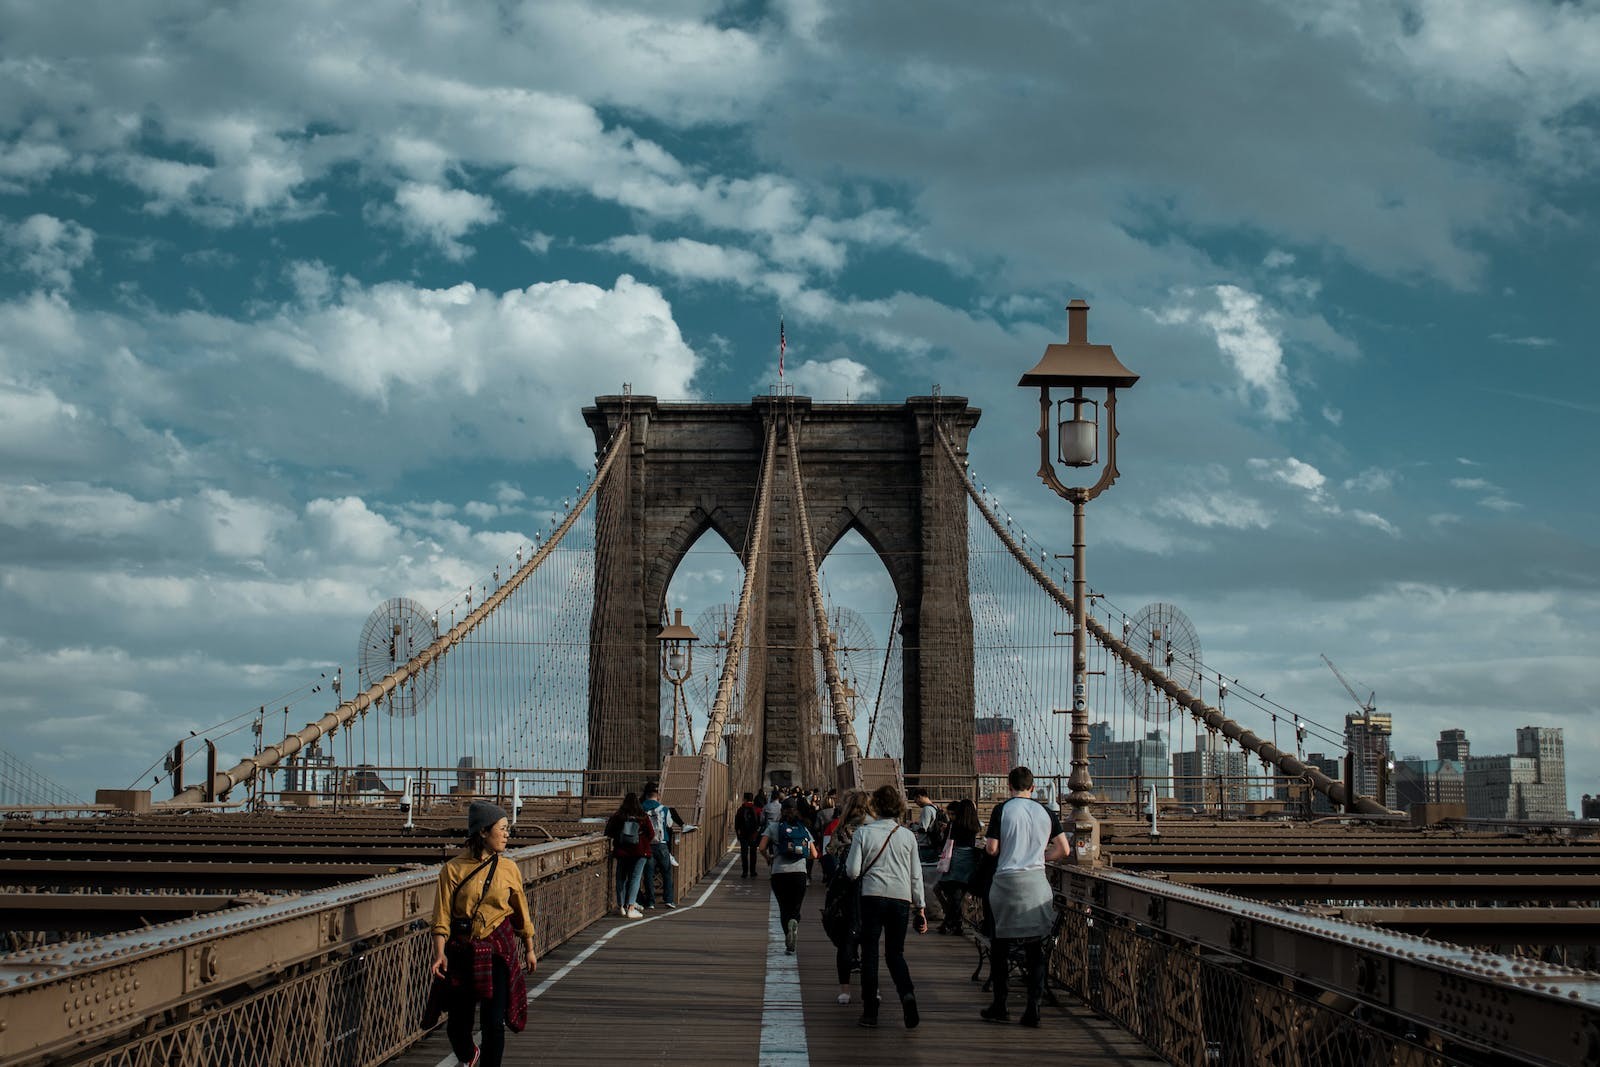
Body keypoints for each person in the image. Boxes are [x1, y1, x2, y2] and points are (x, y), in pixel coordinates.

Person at [429, 800, 538, 1067]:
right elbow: (441, 915)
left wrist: (529, 947)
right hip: (462, 951)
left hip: (497, 951)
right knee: (457, 1025)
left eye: (507, 829)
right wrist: (439, 953)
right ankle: (469, 1054)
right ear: (482, 832)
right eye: (502, 828)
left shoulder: (508, 869)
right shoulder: (453, 869)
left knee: (493, 1023)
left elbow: (520, 913)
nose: (507, 834)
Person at [980, 766, 1068, 1028]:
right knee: (1035, 948)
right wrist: (1041, 857)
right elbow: (1064, 849)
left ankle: (1000, 1005)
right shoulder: (1046, 812)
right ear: (1032, 787)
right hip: (1036, 884)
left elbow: (992, 849)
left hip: (1006, 883)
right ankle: (1033, 1008)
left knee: (1000, 946)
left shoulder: (1002, 810)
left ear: (1009, 786)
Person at [844, 784, 926, 1029]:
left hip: (872, 897)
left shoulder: (863, 833)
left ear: (875, 806)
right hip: (900, 899)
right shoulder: (908, 836)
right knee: (895, 954)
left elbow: (852, 871)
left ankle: (870, 1011)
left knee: (870, 953)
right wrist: (920, 907)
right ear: (899, 807)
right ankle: (907, 995)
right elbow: (916, 875)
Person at [822, 788, 871, 1004]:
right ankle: (872, 990)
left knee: (845, 939)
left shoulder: (843, 827)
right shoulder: (874, 828)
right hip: (871, 886)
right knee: (870, 938)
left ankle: (844, 991)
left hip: (846, 887)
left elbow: (830, 852)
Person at [758, 798, 818, 954]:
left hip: (779, 874)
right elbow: (815, 854)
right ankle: (794, 921)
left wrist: (769, 858)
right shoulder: (803, 828)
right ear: (796, 810)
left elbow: (762, 847)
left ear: (781, 810)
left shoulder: (773, 827)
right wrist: (801, 856)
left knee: (784, 908)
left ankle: (788, 936)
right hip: (799, 874)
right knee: (795, 908)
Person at [935, 798, 983, 934]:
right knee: (959, 895)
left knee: (952, 894)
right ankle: (954, 924)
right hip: (969, 862)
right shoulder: (975, 826)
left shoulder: (954, 825)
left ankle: (951, 923)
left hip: (955, 860)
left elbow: (949, 842)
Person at [604, 791, 655, 919]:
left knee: (621, 878)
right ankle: (631, 907)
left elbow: (608, 832)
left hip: (622, 851)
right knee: (635, 878)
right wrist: (641, 841)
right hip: (640, 852)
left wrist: (620, 838)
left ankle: (621, 906)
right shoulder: (643, 816)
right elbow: (651, 834)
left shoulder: (618, 816)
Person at [638, 782, 685, 909]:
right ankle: (668, 899)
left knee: (648, 874)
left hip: (647, 845)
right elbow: (669, 824)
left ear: (646, 794)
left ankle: (650, 901)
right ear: (657, 795)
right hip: (662, 844)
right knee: (666, 872)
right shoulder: (664, 809)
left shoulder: (641, 808)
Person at [734, 791, 763, 877]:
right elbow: (760, 822)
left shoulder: (741, 809)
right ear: (752, 799)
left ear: (744, 799)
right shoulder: (756, 809)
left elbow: (737, 823)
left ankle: (745, 872)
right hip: (753, 834)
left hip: (743, 834)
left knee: (744, 853)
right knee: (753, 853)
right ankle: (753, 871)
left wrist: (738, 834)